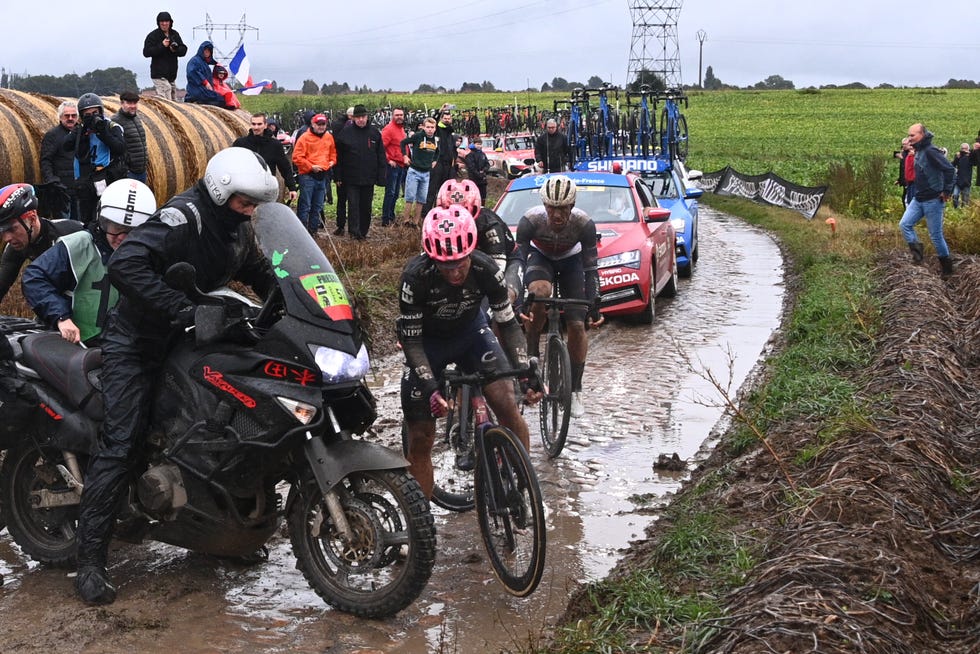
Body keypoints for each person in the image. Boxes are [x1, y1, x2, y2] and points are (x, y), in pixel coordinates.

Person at [73, 147, 280, 605]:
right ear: (223, 190)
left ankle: (223, 533)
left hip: (190, 338)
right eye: (246, 202)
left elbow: (264, 272)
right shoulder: (182, 219)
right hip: (138, 342)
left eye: (255, 204)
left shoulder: (237, 230)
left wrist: (297, 304)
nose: (251, 211)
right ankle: (89, 561)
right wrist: (183, 311)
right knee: (123, 441)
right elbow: (126, 266)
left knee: (217, 428)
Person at [398, 205, 537, 498]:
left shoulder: (486, 268)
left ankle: (523, 489)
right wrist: (430, 388)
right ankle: (421, 525)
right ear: (431, 258)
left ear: (470, 252)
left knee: (507, 404)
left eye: (460, 262)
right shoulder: (415, 276)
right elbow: (410, 342)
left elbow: (508, 324)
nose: (455, 271)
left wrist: (524, 372)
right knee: (421, 437)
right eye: (445, 265)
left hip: (471, 335)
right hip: (427, 343)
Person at [22, 179, 156, 345]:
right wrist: (61, 317)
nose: (121, 237)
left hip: (124, 348)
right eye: (114, 226)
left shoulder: (150, 256)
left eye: (132, 231)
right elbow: (35, 277)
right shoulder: (79, 244)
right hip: (75, 348)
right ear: (101, 219)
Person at [516, 175, 603, 418]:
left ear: (571, 206)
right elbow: (519, 261)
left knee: (576, 323)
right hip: (540, 257)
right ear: (544, 205)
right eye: (551, 208)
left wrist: (595, 302)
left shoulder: (584, 224)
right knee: (539, 293)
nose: (556, 215)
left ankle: (576, 389)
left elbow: (590, 268)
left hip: (571, 262)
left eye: (562, 208)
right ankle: (532, 355)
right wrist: (521, 298)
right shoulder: (530, 221)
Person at [436, 178, 521, 305]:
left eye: (463, 212)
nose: (457, 219)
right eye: (450, 212)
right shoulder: (436, 224)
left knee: (503, 297)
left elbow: (496, 272)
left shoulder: (489, 225)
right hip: (468, 263)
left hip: (507, 261)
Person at [0, 184, 84, 305]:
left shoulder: (68, 235)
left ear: (32, 218)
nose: (7, 238)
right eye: (2, 231)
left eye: (12, 229)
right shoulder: (16, 245)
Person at [899, 123, 956, 279]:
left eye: (912, 135)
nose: (909, 139)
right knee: (905, 224)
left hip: (933, 200)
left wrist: (946, 191)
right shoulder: (918, 151)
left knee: (936, 235)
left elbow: (950, 170)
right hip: (919, 198)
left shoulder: (930, 151)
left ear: (922, 135)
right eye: (909, 135)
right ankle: (918, 257)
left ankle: (947, 269)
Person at [74, 94, 127, 227]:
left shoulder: (111, 126)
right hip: (87, 179)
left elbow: (120, 148)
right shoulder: (81, 130)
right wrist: (82, 131)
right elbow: (68, 146)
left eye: (95, 113)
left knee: (107, 213)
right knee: (86, 217)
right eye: (88, 114)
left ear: (101, 111)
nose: (92, 117)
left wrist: (102, 132)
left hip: (107, 176)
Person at [334, 104, 385, 240]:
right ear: (353, 118)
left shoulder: (374, 133)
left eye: (363, 117)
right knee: (353, 205)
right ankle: (354, 232)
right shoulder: (345, 133)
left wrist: (381, 176)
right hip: (351, 177)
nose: (361, 120)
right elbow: (338, 156)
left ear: (367, 117)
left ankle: (363, 231)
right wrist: (337, 175)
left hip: (369, 177)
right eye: (358, 117)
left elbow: (381, 156)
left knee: (366, 206)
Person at [233, 112, 297, 204]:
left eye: (259, 124)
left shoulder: (275, 145)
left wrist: (292, 188)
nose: (256, 127)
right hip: (246, 189)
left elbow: (285, 167)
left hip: (266, 189)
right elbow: (232, 164)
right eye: (254, 124)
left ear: (265, 125)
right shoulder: (240, 144)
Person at [291, 113, 337, 235]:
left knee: (318, 205)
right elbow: (296, 157)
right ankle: (301, 233)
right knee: (305, 205)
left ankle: (313, 231)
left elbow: (333, 153)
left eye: (323, 124)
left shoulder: (328, 137)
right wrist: (311, 167)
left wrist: (332, 162)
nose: (321, 127)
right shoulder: (304, 138)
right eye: (319, 124)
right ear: (313, 124)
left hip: (323, 175)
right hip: (307, 176)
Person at [39, 101, 80, 220]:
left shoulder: (82, 134)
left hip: (79, 189)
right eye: (67, 116)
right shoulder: (52, 135)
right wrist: (52, 181)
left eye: (74, 115)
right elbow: (45, 161)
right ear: (60, 117)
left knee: (81, 224)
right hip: (62, 191)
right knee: (64, 226)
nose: (71, 118)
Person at [400, 117, 439, 228]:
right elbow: (403, 143)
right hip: (414, 171)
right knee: (410, 197)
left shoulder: (436, 140)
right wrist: (405, 156)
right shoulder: (418, 136)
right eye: (428, 127)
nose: (430, 129)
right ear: (423, 127)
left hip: (426, 173)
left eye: (432, 127)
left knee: (421, 199)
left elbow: (438, 152)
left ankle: (415, 222)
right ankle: (406, 220)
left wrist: (435, 160)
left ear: (435, 128)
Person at [142, 11, 188, 100]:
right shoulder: (153, 36)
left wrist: (175, 49)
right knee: (166, 97)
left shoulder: (174, 34)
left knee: (174, 99)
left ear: (170, 22)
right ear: (158, 23)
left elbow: (183, 50)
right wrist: (162, 46)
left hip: (171, 75)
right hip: (158, 74)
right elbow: (146, 52)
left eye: (166, 21)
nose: (164, 24)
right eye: (162, 22)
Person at [421, 108, 457, 216]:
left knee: (444, 191)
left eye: (448, 118)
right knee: (432, 189)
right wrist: (439, 111)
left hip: (448, 165)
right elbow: (433, 121)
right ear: (441, 119)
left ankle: (441, 212)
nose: (447, 120)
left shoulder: (450, 132)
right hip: (437, 163)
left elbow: (452, 149)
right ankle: (426, 213)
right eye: (445, 118)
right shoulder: (438, 130)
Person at [111, 91, 149, 183]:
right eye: (129, 103)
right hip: (128, 173)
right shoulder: (116, 121)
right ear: (122, 103)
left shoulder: (136, 118)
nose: (133, 106)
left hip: (142, 171)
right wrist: (126, 167)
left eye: (135, 103)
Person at [381, 108, 408, 227]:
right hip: (393, 166)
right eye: (397, 115)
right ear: (392, 116)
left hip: (401, 165)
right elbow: (381, 148)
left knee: (396, 193)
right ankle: (385, 218)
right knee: (390, 192)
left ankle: (391, 215)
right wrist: (388, 160)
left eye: (401, 115)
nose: (399, 117)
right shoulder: (389, 129)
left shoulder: (401, 129)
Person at [330, 107, 354, 234]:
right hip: (342, 171)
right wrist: (337, 176)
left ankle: (351, 226)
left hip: (353, 172)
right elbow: (337, 155)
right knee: (342, 200)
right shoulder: (339, 128)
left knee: (352, 201)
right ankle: (340, 226)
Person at [184, 41, 223, 107]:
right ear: (201, 50)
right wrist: (205, 82)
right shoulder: (194, 61)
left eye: (209, 50)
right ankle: (195, 101)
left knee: (220, 97)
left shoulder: (204, 64)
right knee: (220, 100)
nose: (207, 52)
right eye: (205, 50)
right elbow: (193, 72)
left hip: (203, 91)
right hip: (197, 91)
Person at [463, 137, 491, 204]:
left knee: (483, 197)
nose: (479, 146)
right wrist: (478, 174)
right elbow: (471, 167)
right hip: (474, 180)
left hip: (483, 180)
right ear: (474, 144)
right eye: (477, 144)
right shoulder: (470, 155)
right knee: (474, 197)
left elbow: (487, 164)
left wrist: (484, 171)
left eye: (480, 144)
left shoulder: (483, 154)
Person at [951, 143, 973, 208]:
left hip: (966, 182)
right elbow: (952, 165)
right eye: (962, 148)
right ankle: (956, 210)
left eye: (965, 148)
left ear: (968, 149)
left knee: (965, 201)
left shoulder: (971, 157)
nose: (963, 150)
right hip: (958, 181)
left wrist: (970, 154)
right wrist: (957, 158)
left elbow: (975, 162)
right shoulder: (958, 156)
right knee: (955, 197)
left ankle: (964, 214)